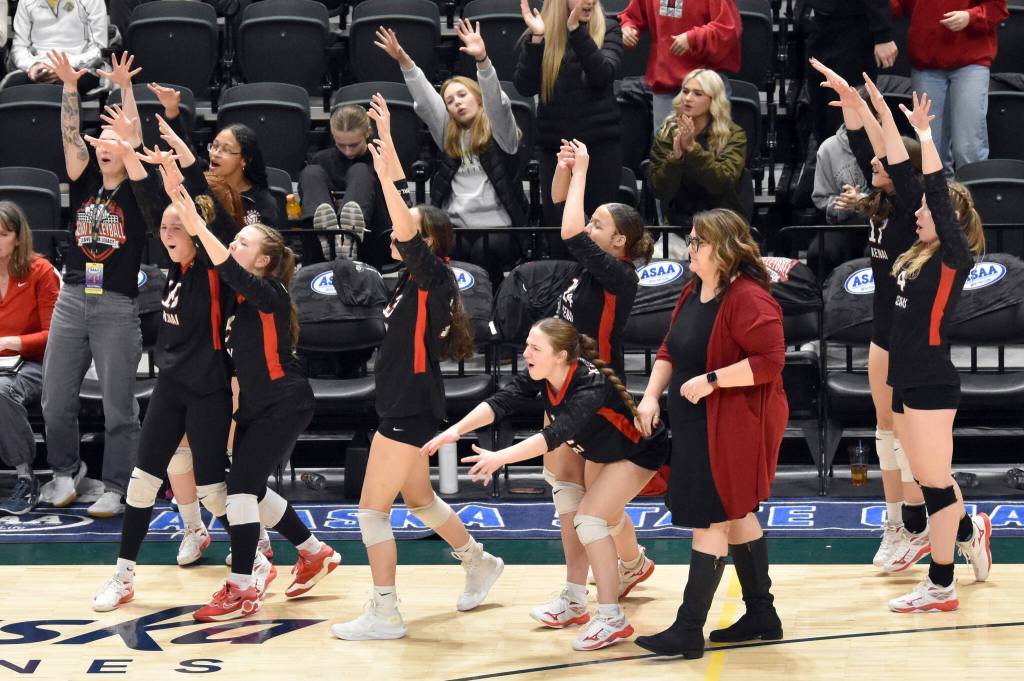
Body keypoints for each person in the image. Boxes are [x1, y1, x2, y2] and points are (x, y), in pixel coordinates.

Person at [330, 130, 503, 642]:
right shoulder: (410, 281)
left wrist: (386, 174)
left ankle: (384, 611)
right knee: (420, 500)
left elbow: (405, 230)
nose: (393, 237)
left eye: (407, 235)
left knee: (370, 512)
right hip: (410, 402)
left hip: (409, 406)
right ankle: (478, 561)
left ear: (427, 243)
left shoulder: (433, 277)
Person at [424, 318, 668, 650]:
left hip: (638, 451)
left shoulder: (589, 386)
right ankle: (576, 598)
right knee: (571, 501)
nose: (526, 353)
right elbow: (502, 401)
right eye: (527, 345)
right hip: (600, 450)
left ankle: (612, 618)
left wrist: (499, 458)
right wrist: (457, 429)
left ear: (561, 355)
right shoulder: (544, 375)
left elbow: (552, 437)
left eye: (535, 348)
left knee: (592, 520)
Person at [168, 183, 341, 622]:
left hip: (285, 402)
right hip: (255, 408)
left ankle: (242, 587)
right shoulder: (238, 293)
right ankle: (313, 551)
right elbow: (222, 248)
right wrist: (180, 175)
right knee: (252, 489)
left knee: (241, 489)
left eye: (243, 242)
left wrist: (195, 223)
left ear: (262, 261)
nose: (233, 244)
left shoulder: (272, 293)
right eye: (236, 240)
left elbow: (224, 260)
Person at [632, 208, 788, 658]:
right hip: (696, 424)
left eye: (698, 241)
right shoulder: (693, 291)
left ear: (722, 250)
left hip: (734, 427)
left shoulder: (748, 298)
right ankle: (762, 613)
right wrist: (650, 396)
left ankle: (687, 629)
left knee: (712, 518)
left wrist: (712, 380)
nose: (690, 247)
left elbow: (770, 361)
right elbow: (670, 347)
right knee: (737, 514)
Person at [810, 58, 928, 572]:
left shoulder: (910, 209)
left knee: (911, 442)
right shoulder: (880, 203)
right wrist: (855, 107)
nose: (871, 166)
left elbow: (889, 154)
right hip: (883, 333)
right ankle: (897, 522)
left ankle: (948, 526)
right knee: (884, 433)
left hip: (914, 337)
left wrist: (874, 103)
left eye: (883, 165)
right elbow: (866, 147)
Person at [882, 90, 992, 613]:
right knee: (934, 482)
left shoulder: (953, 258)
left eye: (926, 210)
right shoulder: (917, 253)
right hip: (906, 381)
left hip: (930, 382)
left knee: (934, 486)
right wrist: (874, 111)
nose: (918, 213)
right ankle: (971, 530)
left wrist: (926, 135)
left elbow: (932, 191)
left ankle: (941, 583)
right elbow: (907, 180)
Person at [542, 139, 658, 622]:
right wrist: (566, 169)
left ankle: (579, 593)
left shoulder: (620, 276)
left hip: (596, 396)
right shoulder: (591, 270)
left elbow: (570, 228)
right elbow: (558, 204)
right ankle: (628, 565)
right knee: (575, 497)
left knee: (588, 506)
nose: (590, 229)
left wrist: (586, 168)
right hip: (563, 388)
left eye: (599, 225)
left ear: (619, 244)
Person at [41, 51, 161, 518]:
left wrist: (127, 93)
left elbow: (131, 135)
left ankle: (116, 485)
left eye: (115, 138)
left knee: (118, 409)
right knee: (54, 400)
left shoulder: (136, 183)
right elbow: (70, 135)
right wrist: (70, 86)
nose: (105, 142)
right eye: (102, 137)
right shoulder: (84, 174)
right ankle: (65, 473)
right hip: (72, 297)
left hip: (116, 304)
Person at [377, 19, 527, 276]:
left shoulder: (501, 134)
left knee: (482, 254)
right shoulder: (448, 133)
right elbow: (426, 100)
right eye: (449, 101)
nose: (456, 103)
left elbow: (497, 105)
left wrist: (483, 61)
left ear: (478, 100)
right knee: (447, 251)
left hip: (499, 229)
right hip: (456, 227)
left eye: (462, 95)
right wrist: (404, 60)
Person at [514, 0, 623, 226]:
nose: (589, 1)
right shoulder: (541, 31)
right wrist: (537, 40)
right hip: (556, 150)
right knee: (560, 229)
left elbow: (602, 75)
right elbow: (525, 87)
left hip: (600, 149)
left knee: (599, 230)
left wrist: (577, 32)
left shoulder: (609, 28)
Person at [892, 0, 1009, 173]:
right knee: (930, 148)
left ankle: (972, 196)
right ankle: (937, 198)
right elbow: (895, 7)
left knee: (968, 147)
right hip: (926, 63)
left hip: (971, 61)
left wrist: (971, 17)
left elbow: (997, 8)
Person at [0, 202, 60, 515]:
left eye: (1, 235)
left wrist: (14, 342)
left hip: (33, 365)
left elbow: (55, 336)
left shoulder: (40, 271)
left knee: (1, 392)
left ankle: (25, 475)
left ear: (18, 238)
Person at [618, 0, 741, 131]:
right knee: (665, 149)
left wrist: (693, 38)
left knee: (709, 148)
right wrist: (627, 27)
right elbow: (631, 16)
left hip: (706, 87)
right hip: (664, 87)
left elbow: (729, 29)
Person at [649, 68, 746, 229]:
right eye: (685, 91)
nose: (687, 98)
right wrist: (676, 158)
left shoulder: (733, 135)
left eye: (697, 94)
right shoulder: (668, 132)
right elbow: (659, 189)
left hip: (722, 226)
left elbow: (722, 183)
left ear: (713, 100)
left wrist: (693, 149)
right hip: (678, 226)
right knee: (659, 254)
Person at [802, 0, 897, 149]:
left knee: (849, 117)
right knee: (821, 114)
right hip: (820, 24)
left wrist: (883, 34)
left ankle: (854, 169)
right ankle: (828, 165)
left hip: (855, 28)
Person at [300, 104, 385, 261]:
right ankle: (326, 236)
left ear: (367, 133)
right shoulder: (321, 160)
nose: (348, 151)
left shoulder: (380, 159)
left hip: (369, 238)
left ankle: (350, 236)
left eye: (354, 145)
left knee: (360, 170)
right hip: (320, 249)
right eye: (341, 144)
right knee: (310, 172)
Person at [4, 0, 106, 93]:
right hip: (38, 67)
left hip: (79, 68)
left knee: (57, 91)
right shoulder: (26, 2)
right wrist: (31, 66)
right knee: (10, 89)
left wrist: (60, 67)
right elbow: (19, 47)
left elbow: (98, 50)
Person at [206, 123, 282, 229]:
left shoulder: (263, 202)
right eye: (214, 146)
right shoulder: (203, 189)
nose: (215, 154)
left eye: (226, 150)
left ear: (244, 160)